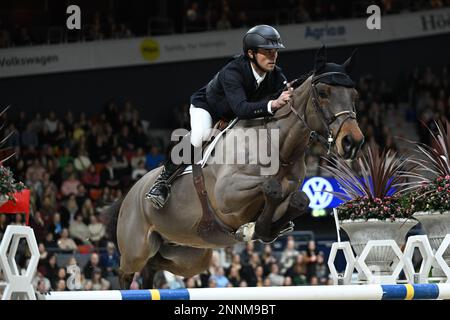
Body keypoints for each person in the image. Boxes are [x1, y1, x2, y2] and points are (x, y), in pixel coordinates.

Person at [146, 25, 293, 209]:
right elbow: (241, 109)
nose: (273, 56)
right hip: (208, 108)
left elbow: (288, 93)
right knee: (200, 136)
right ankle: (162, 182)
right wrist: (273, 104)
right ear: (250, 53)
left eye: (275, 51)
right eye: (267, 52)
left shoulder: (275, 74)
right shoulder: (232, 72)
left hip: (235, 113)